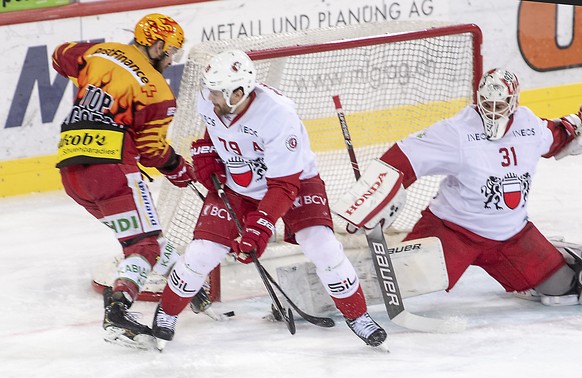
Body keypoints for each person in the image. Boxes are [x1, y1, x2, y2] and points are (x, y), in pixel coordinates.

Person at [151, 49, 387, 349]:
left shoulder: (278, 114)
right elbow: (214, 129)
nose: (209, 98)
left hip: (295, 183)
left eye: (217, 93)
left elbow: (283, 185)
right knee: (201, 253)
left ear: (238, 93)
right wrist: (208, 150)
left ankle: (358, 315)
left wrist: (259, 228)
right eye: (208, 90)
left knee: (322, 245)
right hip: (239, 186)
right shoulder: (210, 99)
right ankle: (167, 313)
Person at [336, 68, 582, 309]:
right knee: (400, 283)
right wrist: (366, 203)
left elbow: (559, 137)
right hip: (453, 233)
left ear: (514, 102)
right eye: (487, 104)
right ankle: (336, 280)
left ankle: (554, 253)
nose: (493, 112)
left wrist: (577, 125)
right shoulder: (456, 131)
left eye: (500, 105)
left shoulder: (530, 126)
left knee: (564, 289)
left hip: (513, 236)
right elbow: (405, 156)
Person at [52, 13, 196, 348]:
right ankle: (118, 307)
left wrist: (98, 60)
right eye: (170, 49)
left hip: (72, 172)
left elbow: (60, 54)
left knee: (143, 238)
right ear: (155, 44)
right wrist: (178, 168)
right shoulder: (157, 91)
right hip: (112, 169)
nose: (172, 58)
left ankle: (193, 290)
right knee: (143, 245)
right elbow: (150, 151)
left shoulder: (99, 54)